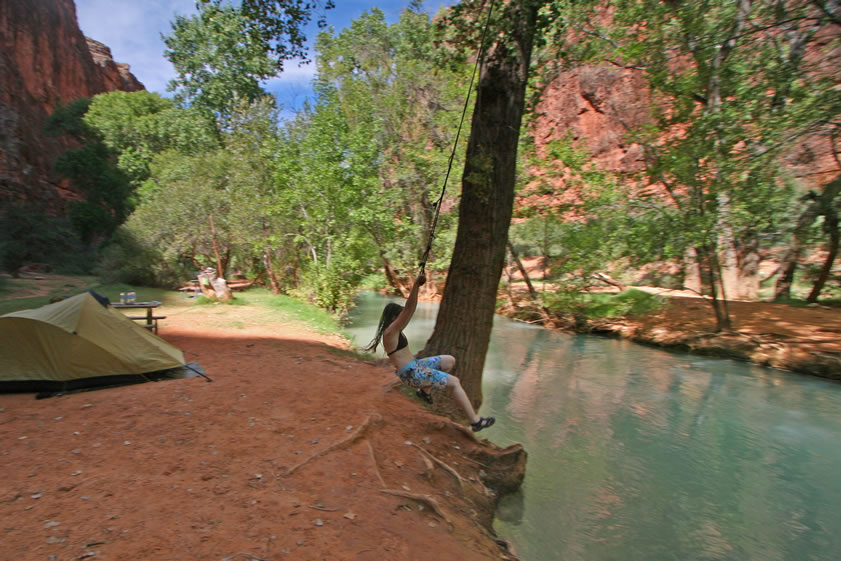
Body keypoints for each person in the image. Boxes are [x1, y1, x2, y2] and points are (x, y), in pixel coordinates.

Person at [364, 272, 495, 432]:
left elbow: (407, 312)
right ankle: (475, 421)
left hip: (415, 366)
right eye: (400, 316)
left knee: (449, 361)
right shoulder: (391, 332)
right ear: (393, 318)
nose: (403, 319)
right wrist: (416, 286)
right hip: (411, 374)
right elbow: (410, 309)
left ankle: (424, 392)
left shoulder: (394, 331)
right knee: (454, 383)